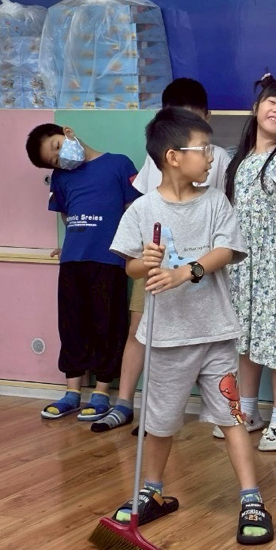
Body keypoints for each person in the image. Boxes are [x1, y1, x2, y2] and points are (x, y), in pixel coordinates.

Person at [108, 107, 273, 543]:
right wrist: (144, 263)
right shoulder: (142, 209)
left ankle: (251, 497)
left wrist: (186, 272)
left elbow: (225, 251)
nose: (211, 157)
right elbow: (129, 267)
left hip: (215, 335)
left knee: (233, 417)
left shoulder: (215, 202)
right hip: (165, 340)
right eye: (203, 149)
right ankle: (151, 491)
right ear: (173, 156)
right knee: (159, 422)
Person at [92, 77, 226, 432]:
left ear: (207, 117)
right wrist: (143, 253)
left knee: (202, 342)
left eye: (190, 117)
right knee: (140, 329)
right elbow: (141, 201)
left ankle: (191, 415)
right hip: (156, 260)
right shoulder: (161, 155)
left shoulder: (217, 158)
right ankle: (126, 402)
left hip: (198, 264)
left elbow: (223, 215)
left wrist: (198, 265)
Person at [217, 74, 276, 451]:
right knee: (246, 341)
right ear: (256, 108)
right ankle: (249, 411)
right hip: (243, 267)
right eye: (273, 102)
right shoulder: (239, 161)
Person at [25, 123, 140, 421]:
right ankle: (72, 392)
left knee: (107, 325)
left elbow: (133, 210)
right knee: (71, 325)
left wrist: (131, 249)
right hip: (73, 261)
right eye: (53, 160)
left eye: (56, 147)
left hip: (109, 260)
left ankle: (102, 392)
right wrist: (72, 242)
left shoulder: (118, 164)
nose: (59, 158)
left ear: (67, 133)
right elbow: (67, 214)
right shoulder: (61, 177)